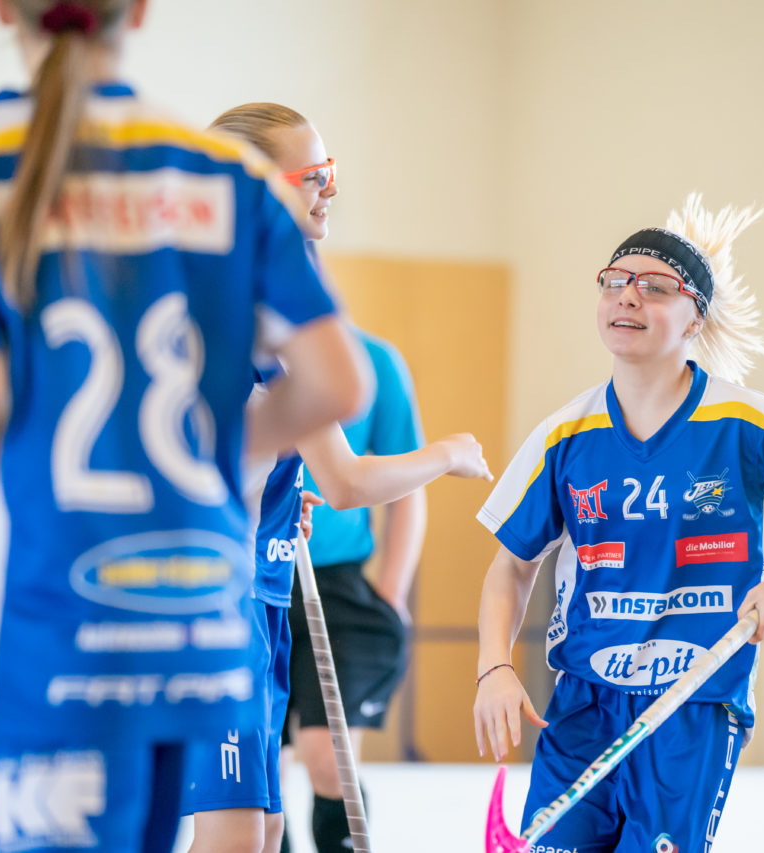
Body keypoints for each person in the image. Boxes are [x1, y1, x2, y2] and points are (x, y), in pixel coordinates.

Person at [0, 3, 369, 851]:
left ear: (2, 10)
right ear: (140, 13)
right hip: (194, 622)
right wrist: (218, 452)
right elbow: (340, 381)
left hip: (43, 617)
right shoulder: (227, 173)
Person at [472, 194, 764, 851]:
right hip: (582, 704)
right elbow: (511, 568)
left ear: (696, 316)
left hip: (693, 703)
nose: (628, 296)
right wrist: (493, 666)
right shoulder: (563, 436)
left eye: (655, 287)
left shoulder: (748, 424)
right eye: (615, 281)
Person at [181, 102, 491, 853]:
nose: (332, 190)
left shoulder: (238, 297)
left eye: (333, 171)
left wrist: (274, 494)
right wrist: (448, 454)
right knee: (235, 837)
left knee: (264, 831)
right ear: (260, 186)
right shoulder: (253, 311)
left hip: (258, 597)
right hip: (215, 601)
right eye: (315, 175)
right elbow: (347, 481)